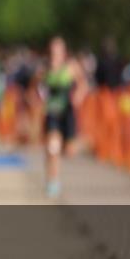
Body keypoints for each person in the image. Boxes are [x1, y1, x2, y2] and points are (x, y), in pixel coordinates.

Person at [38, 36, 88, 198]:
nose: (55, 53)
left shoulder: (71, 67)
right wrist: (38, 99)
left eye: (58, 50)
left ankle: (82, 143)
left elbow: (83, 84)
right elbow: (35, 87)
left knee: (69, 151)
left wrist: (78, 95)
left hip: (68, 114)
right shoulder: (45, 69)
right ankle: (52, 181)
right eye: (52, 50)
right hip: (52, 113)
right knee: (53, 148)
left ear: (64, 51)